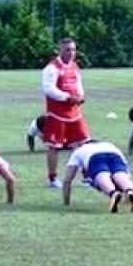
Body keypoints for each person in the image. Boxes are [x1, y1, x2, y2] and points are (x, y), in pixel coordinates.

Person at [41, 37, 91, 188]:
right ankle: (53, 178)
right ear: (60, 50)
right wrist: (67, 97)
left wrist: (80, 96)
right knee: (54, 146)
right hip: (57, 113)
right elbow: (48, 89)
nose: (71, 53)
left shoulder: (75, 66)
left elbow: (78, 83)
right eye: (67, 50)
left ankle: (87, 176)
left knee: (82, 144)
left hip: (74, 112)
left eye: (73, 50)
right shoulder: (52, 68)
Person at [61, 141, 133, 213]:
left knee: (101, 174)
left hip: (94, 157)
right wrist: (127, 197)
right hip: (114, 154)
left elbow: (67, 180)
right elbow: (127, 173)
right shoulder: (109, 144)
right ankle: (130, 191)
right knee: (119, 174)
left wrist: (66, 202)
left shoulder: (78, 151)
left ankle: (113, 193)